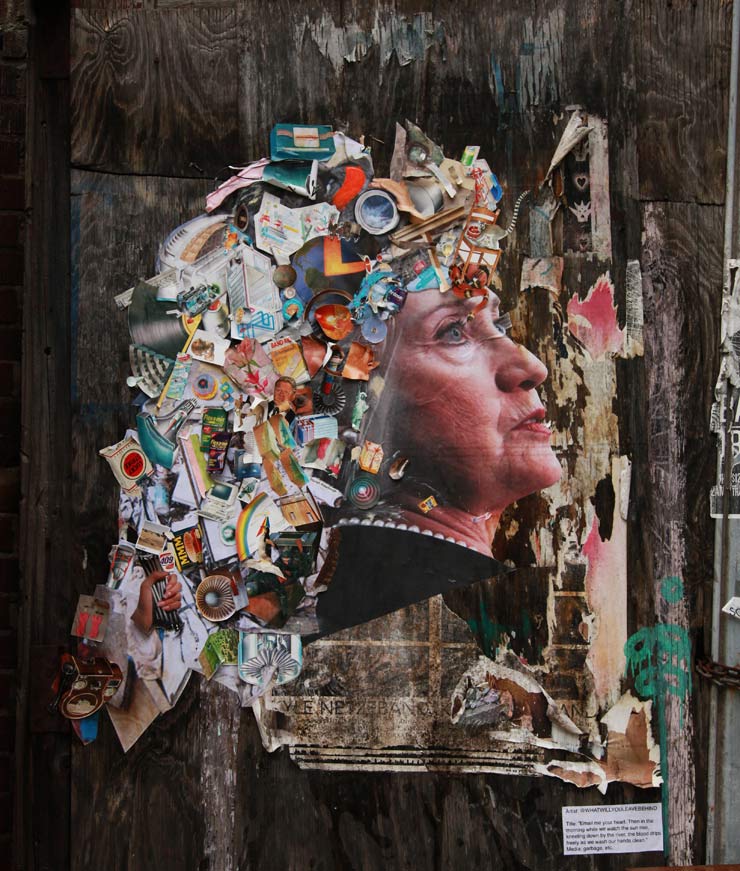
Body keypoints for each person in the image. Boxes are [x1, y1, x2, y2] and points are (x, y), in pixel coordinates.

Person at [310, 283, 562, 638]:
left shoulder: (363, 572)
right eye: (453, 332)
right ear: (371, 404)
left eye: (498, 325)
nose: (532, 366)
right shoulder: (406, 608)